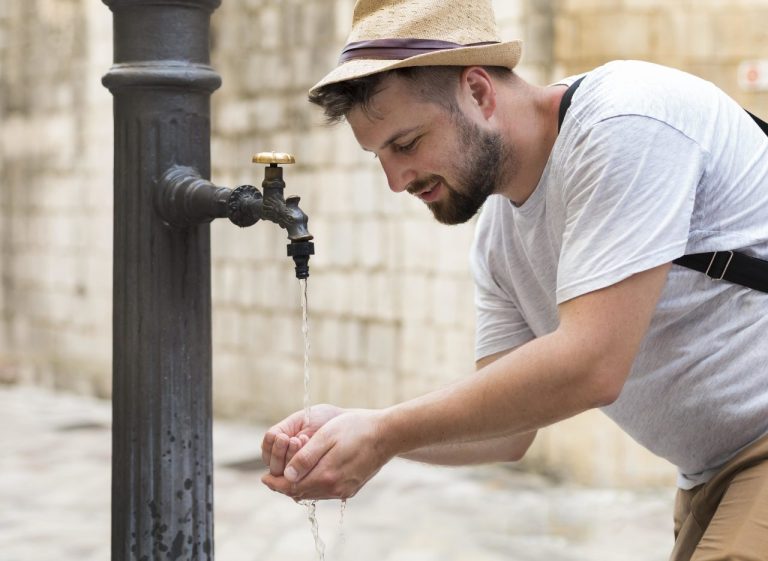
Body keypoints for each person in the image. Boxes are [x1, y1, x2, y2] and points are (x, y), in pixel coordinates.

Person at [260, 1, 768, 559]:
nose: (395, 179)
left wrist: (385, 432)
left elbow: (592, 365)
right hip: (709, 473)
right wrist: (358, 432)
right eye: (378, 155)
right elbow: (504, 432)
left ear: (478, 92)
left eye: (405, 144)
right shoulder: (500, 240)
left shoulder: (626, 121)